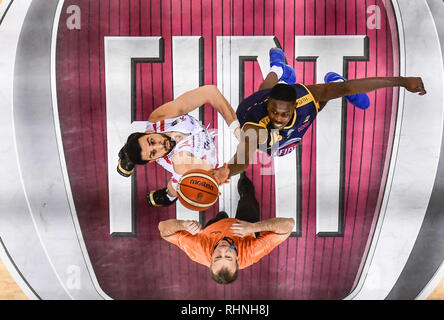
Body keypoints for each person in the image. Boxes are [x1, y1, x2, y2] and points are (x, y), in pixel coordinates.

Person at [211, 48, 427, 183]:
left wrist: (401, 81)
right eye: (274, 111)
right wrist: (226, 171)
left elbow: (351, 87)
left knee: (321, 101)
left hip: (295, 104)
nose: (277, 117)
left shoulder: (305, 98)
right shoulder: (255, 129)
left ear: (294, 107)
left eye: (283, 114)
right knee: (264, 89)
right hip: (249, 113)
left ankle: (330, 81)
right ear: (269, 106)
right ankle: (278, 69)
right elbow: (242, 160)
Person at [158, 173, 294, 284]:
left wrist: (182, 225)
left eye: (217, 257)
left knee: (220, 217)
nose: (223, 250)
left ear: (210, 260)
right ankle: (245, 189)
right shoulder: (251, 252)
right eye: (228, 256)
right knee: (249, 201)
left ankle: (221, 217)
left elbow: (163, 229)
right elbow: (288, 225)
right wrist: (253, 227)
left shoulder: (198, 248)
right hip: (245, 225)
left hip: (215, 227)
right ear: (237, 258)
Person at [116, 85, 241, 207]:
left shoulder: (159, 119)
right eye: (153, 153)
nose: (160, 146)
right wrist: (215, 176)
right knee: (175, 188)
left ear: (149, 132)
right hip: (197, 159)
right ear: (153, 161)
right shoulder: (181, 162)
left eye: (152, 141)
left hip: (198, 141)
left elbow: (210, 92)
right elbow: (210, 169)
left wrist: (236, 128)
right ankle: (168, 197)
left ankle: (127, 153)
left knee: (136, 149)